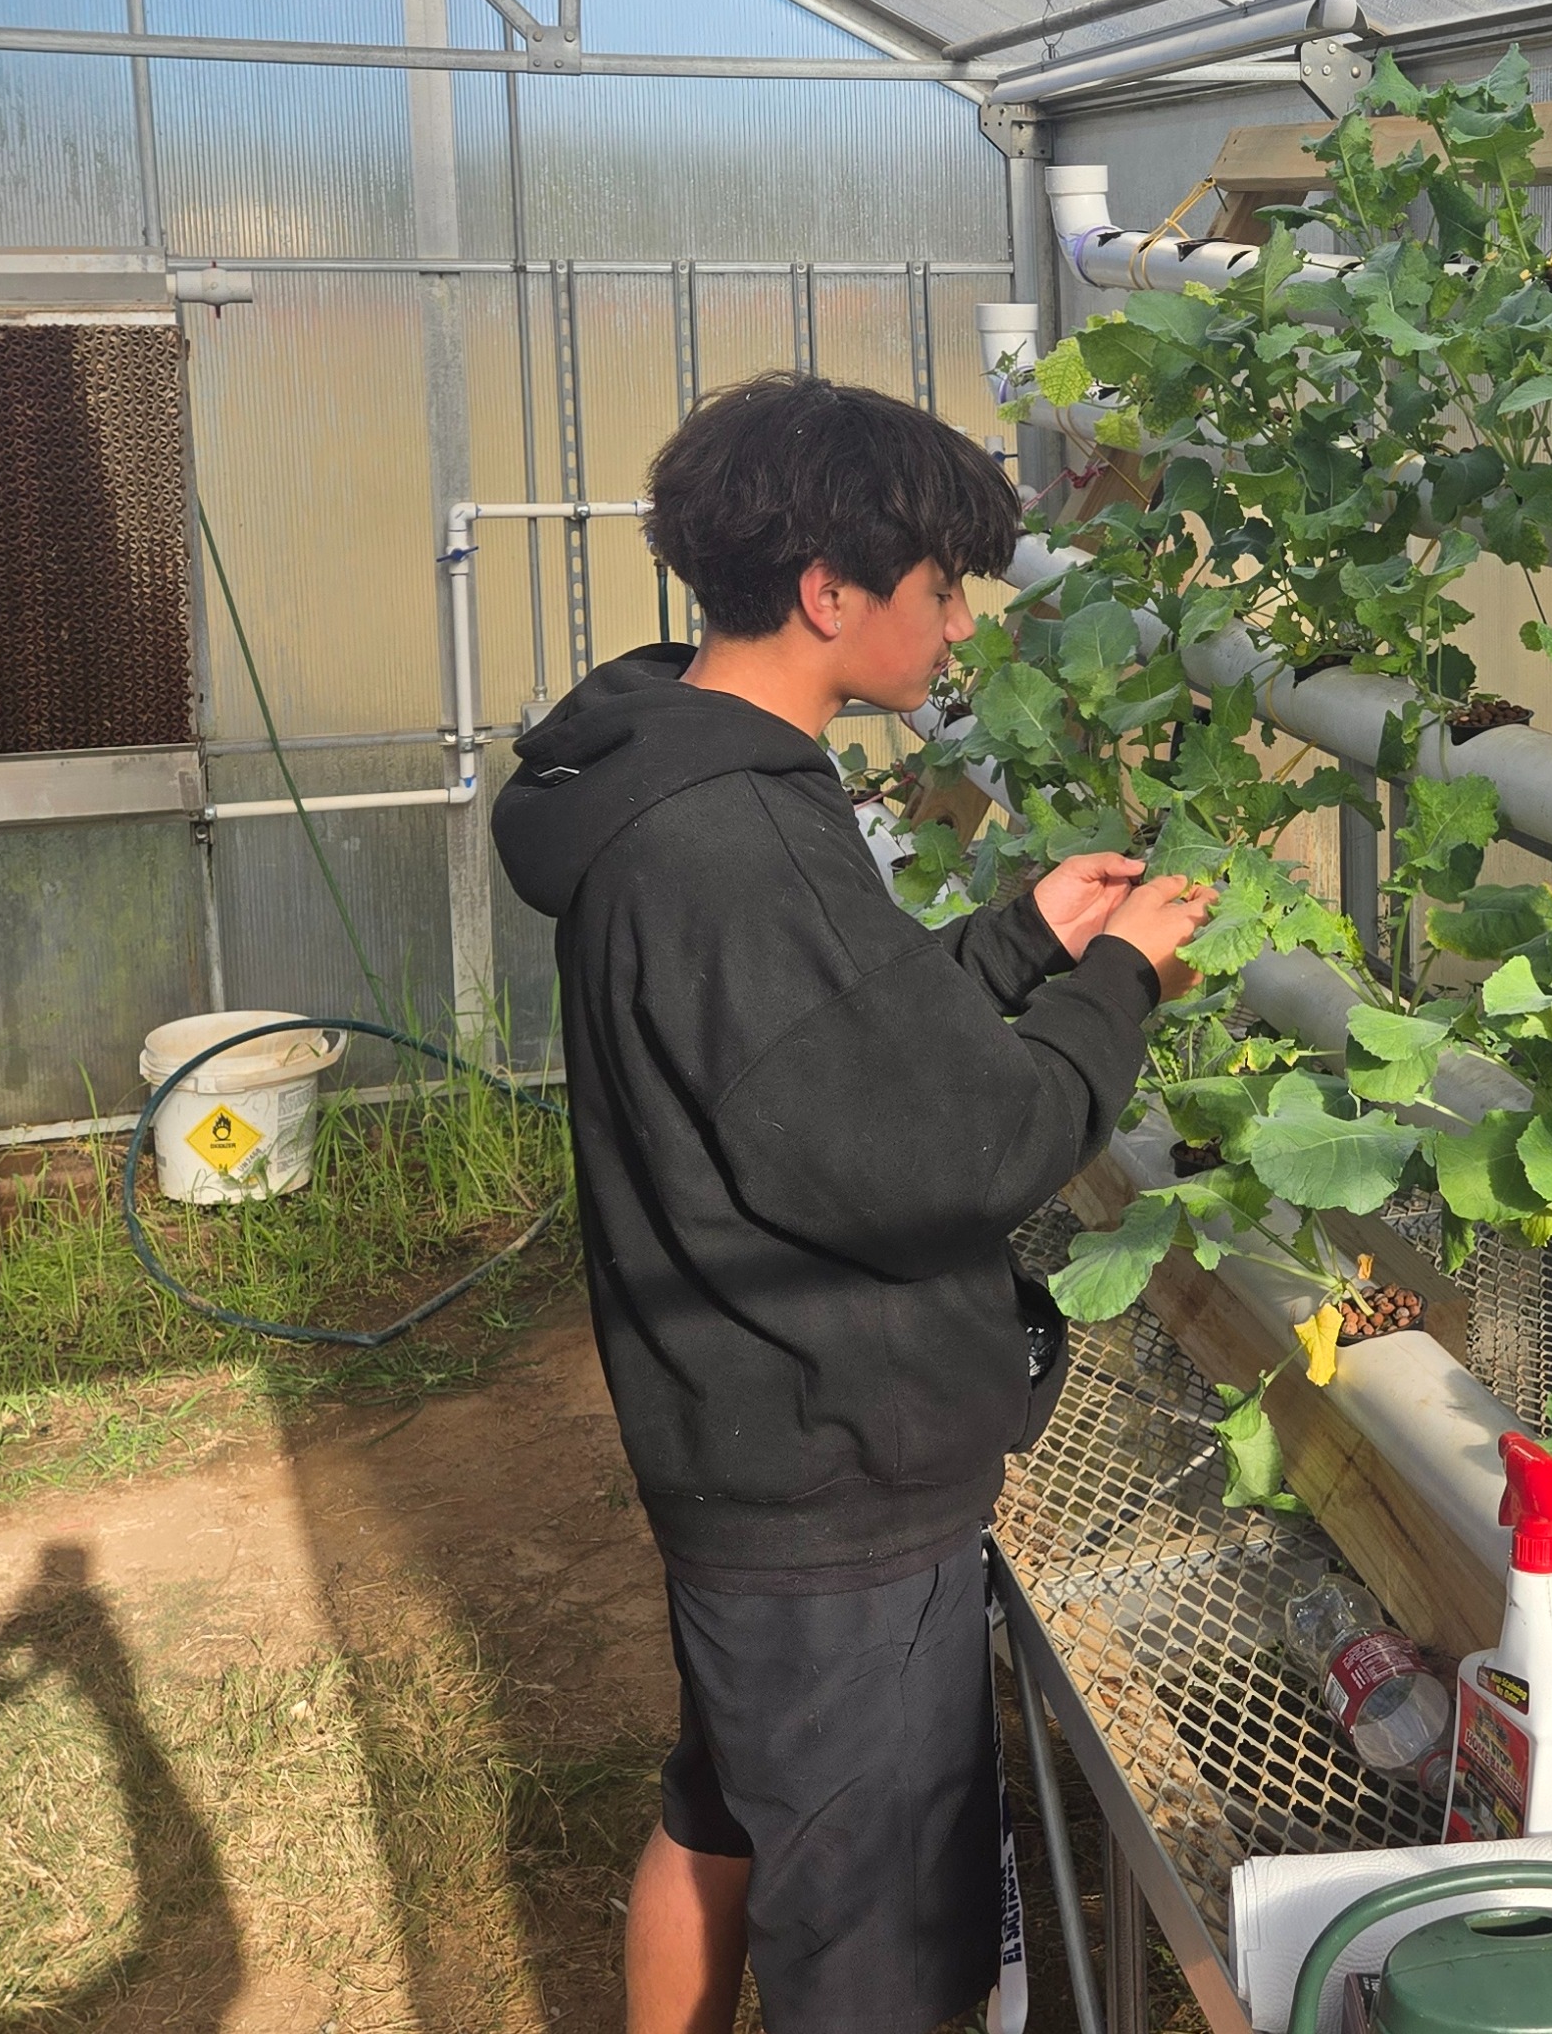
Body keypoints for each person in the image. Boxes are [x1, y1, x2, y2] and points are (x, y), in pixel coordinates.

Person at [492, 374, 1212, 2034]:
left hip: (737, 1429)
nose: (957, 626)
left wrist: (1019, 941)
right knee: (869, 1946)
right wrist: (1119, 985)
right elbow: (959, 1149)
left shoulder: (671, 777)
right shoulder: (741, 840)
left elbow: (809, 1064)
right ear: (831, 592)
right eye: (940, 588)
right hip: (829, 1474)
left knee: (725, 1812)